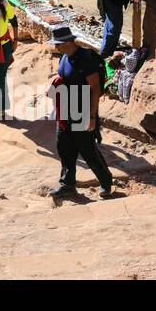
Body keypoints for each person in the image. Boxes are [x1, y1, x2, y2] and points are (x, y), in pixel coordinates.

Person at [47, 25, 114, 199]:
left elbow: (95, 89)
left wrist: (91, 117)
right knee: (64, 147)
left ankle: (106, 182)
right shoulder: (64, 56)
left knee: (88, 151)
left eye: (58, 44)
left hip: (82, 109)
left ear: (69, 42)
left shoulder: (86, 59)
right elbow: (64, 76)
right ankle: (67, 184)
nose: (56, 47)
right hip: (65, 109)